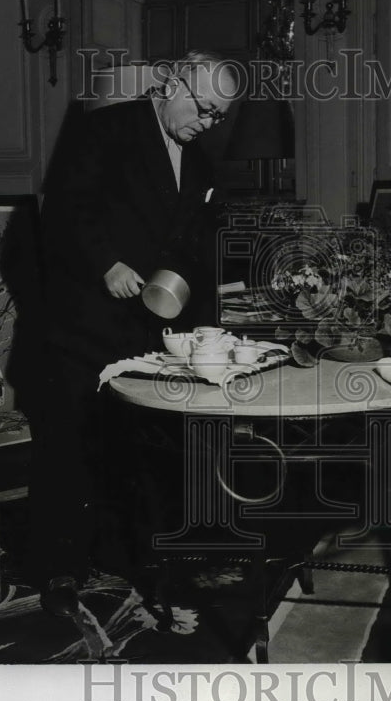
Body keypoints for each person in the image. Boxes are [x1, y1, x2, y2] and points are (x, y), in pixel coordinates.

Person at [29, 51, 238, 615]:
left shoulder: (197, 163)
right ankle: (59, 572)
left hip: (149, 327)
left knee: (151, 446)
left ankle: (142, 556)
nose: (207, 123)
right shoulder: (107, 129)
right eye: (203, 108)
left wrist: (196, 309)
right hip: (84, 324)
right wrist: (107, 264)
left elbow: (198, 240)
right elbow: (66, 214)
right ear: (170, 83)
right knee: (72, 444)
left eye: (218, 116)